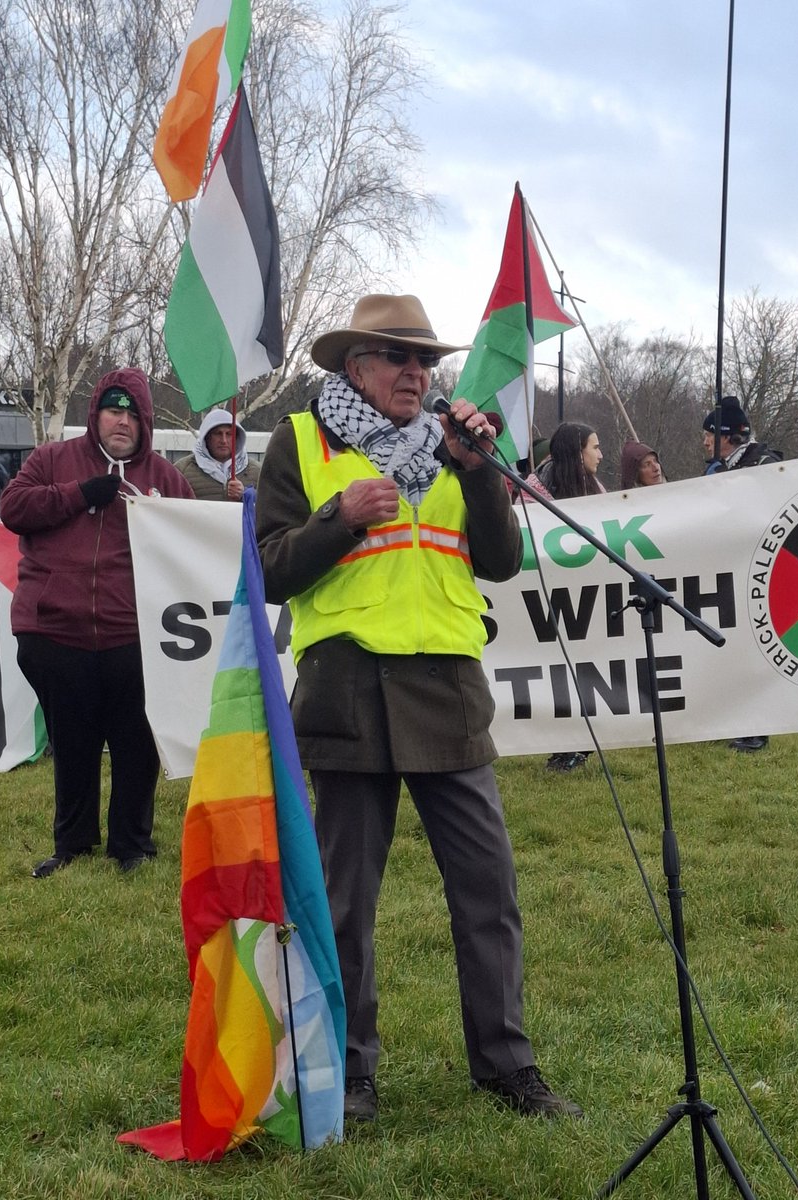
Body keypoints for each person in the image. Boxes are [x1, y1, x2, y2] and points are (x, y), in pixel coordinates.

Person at [256, 293, 582, 1123]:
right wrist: (339, 518)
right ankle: (350, 1073)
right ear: (354, 367)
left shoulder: (461, 443)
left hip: (446, 694)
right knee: (345, 905)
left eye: (424, 360)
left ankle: (508, 1068)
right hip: (347, 692)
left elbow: (502, 564)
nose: (416, 372)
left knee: (488, 892)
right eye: (397, 357)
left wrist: (480, 475)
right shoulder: (300, 441)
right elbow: (267, 571)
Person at [0, 369, 194, 877]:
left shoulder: (167, 478)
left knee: (135, 744)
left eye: (133, 413)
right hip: (53, 632)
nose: (122, 421)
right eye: (113, 409)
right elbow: (13, 507)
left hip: (136, 635)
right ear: (94, 414)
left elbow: (195, 545)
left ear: (146, 421)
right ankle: (73, 845)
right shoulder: (50, 460)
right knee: (73, 742)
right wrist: (82, 492)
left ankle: (132, 845)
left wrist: (233, 511)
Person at [519, 422, 605, 771]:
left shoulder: (598, 490)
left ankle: (579, 744)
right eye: (595, 447)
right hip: (548, 598)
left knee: (587, 667)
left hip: (588, 596)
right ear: (576, 452)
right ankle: (562, 743)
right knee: (557, 670)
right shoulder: (532, 494)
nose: (600, 454)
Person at [703, 396, 782, 752]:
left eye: (709, 434)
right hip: (727, 571)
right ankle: (737, 719)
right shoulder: (718, 467)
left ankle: (757, 728)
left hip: (757, 572)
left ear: (727, 436)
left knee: (753, 649)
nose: (704, 441)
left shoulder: (763, 463)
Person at [175, 407, 261, 500]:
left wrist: (246, 495)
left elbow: (270, 506)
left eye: (229, 434)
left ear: (237, 437)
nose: (223, 440)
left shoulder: (257, 472)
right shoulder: (182, 470)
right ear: (206, 437)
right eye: (218, 433)